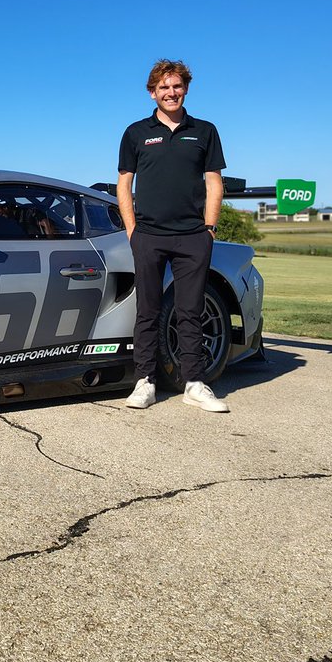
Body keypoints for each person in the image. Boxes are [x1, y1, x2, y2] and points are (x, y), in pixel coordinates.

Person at [117, 59, 229, 413]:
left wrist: (209, 228)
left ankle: (194, 383)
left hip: (193, 236)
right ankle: (145, 382)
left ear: (186, 89)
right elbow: (124, 184)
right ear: (152, 92)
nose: (171, 92)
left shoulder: (205, 131)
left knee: (190, 311)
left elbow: (214, 183)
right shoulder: (136, 132)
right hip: (148, 235)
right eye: (163, 87)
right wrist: (132, 230)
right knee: (147, 311)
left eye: (176, 86)